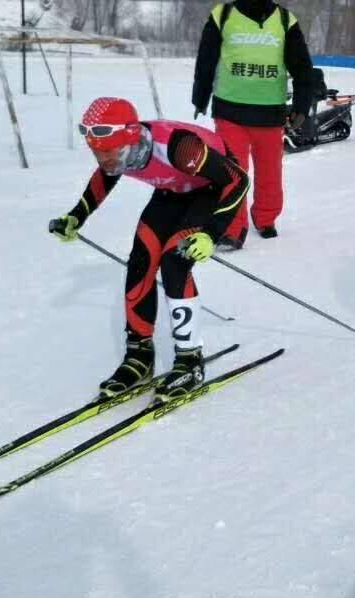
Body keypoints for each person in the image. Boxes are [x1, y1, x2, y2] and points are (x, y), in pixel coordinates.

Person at [48, 97, 248, 401]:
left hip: (210, 189)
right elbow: (106, 175)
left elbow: (238, 180)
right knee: (141, 261)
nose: (105, 160)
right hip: (172, 190)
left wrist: (211, 233)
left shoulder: (179, 148)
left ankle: (189, 360)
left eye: (110, 152)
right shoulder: (118, 150)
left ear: (129, 138)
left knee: (174, 262)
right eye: (97, 153)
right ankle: (139, 355)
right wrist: (77, 215)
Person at [191, 0, 313, 249]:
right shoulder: (223, 15)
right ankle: (232, 228)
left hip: (270, 113)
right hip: (230, 109)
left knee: (270, 172)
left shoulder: (285, 20)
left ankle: (266, 217)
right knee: (233, 173)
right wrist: (200, 96)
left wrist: (301, 105)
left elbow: (302, 67)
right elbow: (206, 60)